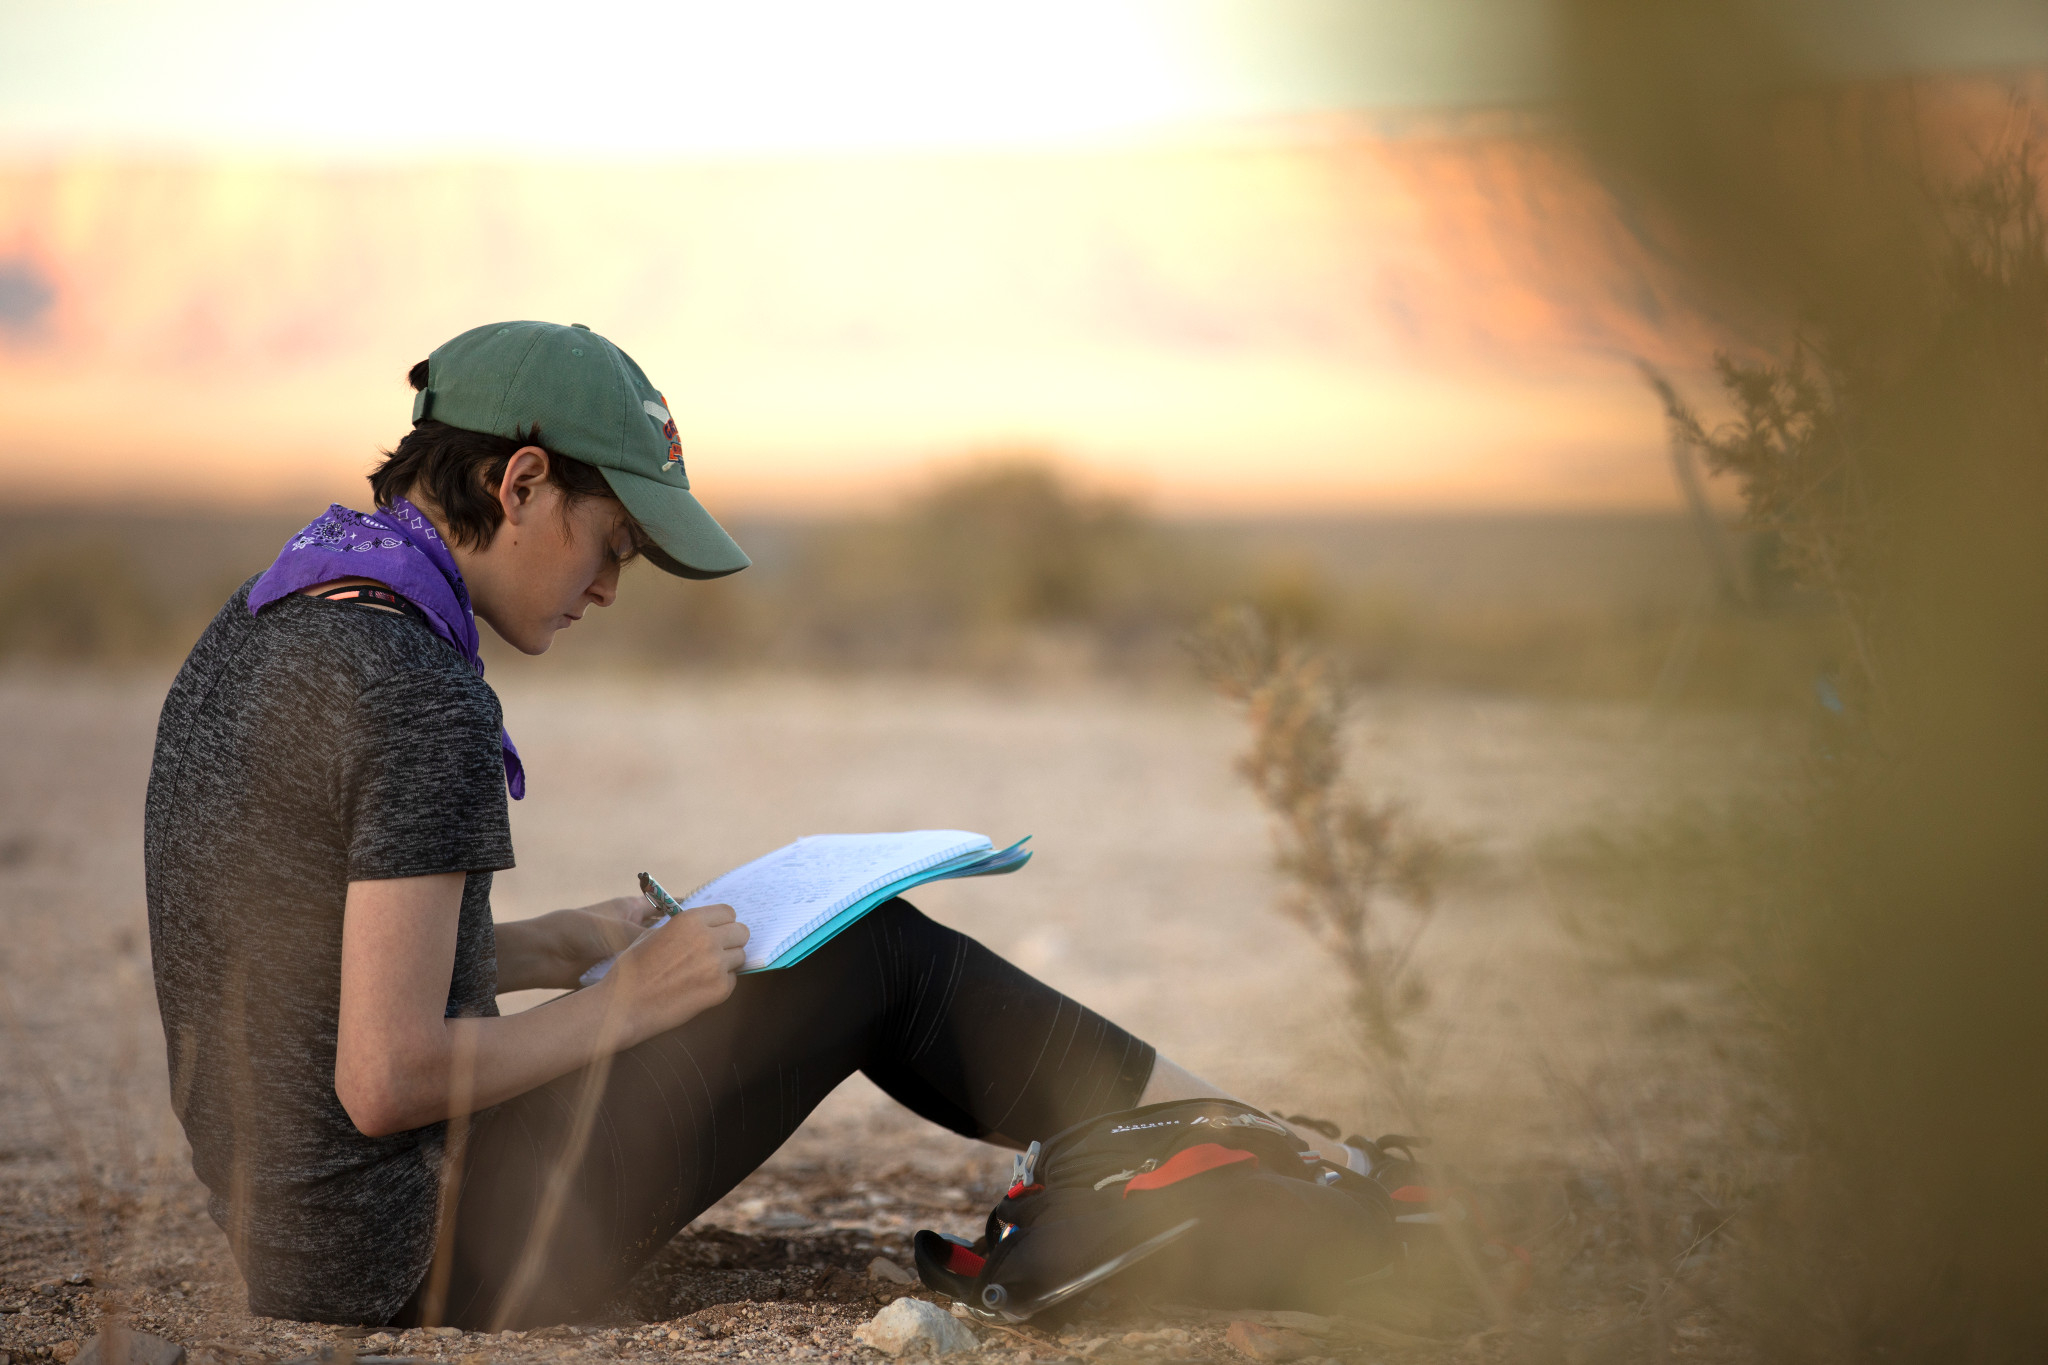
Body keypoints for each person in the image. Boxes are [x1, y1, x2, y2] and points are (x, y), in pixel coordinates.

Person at [144, 320, 1362, 1331]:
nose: (610, 589)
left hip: (304, 1245)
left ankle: (1229, 1143)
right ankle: (1243, 1149)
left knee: (820, 950)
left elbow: (296, 961)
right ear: (518, 483)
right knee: (870, 951)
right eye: (610, 543)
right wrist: (628, 1000)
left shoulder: (273, 620)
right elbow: (385, 1076)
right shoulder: (416, 689)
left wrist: (554, 942)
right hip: (429, 1256)